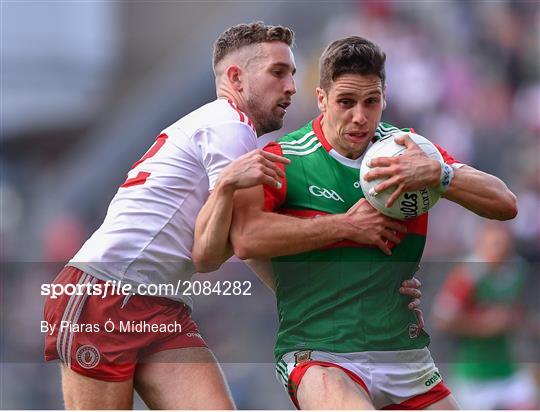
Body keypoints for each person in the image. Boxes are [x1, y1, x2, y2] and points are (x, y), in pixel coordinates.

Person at [43, 23, 422, 409]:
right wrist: (349, 232)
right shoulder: (230, 127)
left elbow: (236, 248)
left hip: (160, 303)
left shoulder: (230, 130)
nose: (291, 86)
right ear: (236, 78)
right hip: (104, 294)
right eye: (278, 72)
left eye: (292, 73)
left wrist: (354, 297)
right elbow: (244, 240)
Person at [227, 36, 518, 409]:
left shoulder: (410, 150)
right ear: (321, 99)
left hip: (403, 353)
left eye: (371, 102)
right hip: (322, 354)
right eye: (346, 102)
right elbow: (246, 239)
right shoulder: (285, 158)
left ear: (384, 98)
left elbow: (505, 203)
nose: (360, 117)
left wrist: (439, 173)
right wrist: (344, 227)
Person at [432, 221, 537, 409]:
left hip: (507, 370)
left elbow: (516, 312)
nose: (499, 252)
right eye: (494, 245)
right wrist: (482, 325)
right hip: (475, 376)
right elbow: (441, 319)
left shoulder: (517, 269)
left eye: (504, 245)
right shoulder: (468, 274)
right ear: (480, 243)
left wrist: (516, 320)